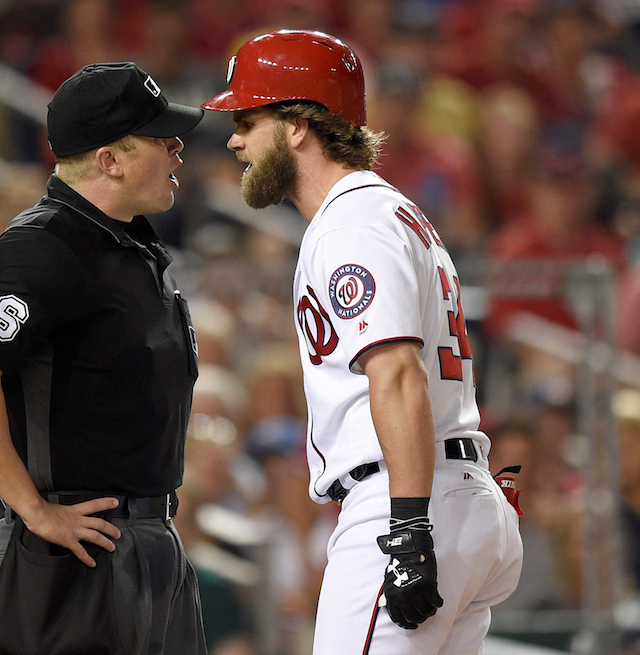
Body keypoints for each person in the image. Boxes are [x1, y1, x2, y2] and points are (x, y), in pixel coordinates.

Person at [201, 29, 523, 654]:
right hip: (452, 490)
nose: (235, 138)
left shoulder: (352, 221)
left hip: (406, 499)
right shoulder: (389, 213)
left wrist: (407, 527)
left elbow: (398, 374)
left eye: (248, 117)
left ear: (298, 125)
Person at [0, 62, 207, 654]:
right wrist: (32, 509)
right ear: (110, 159)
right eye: (162, 139)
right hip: (79, 556)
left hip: (146, 544)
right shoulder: (41, 248)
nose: (178, 152)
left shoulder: (129, 244)